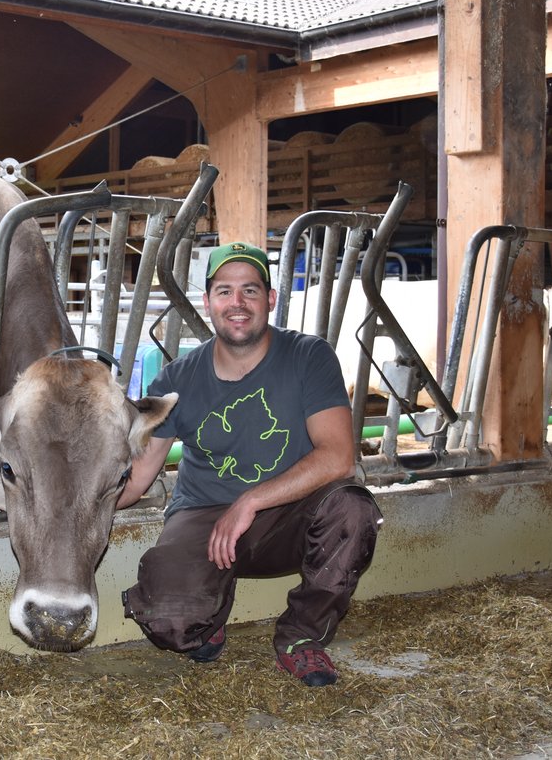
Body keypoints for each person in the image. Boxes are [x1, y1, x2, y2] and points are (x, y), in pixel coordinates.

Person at [119, 241, 381, 686]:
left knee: (353, 510)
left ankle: (302, 637)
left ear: (270, 299)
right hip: (205, 518)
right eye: (224, 291)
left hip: (290, 516)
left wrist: (250, 501)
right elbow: (139, 477)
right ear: (208, 302)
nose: (236, 303)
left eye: (250, 291)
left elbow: (339, 457)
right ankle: (207, 614)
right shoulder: (176, 379)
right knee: (170, 622)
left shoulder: (308, 357)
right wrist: (72, 509)